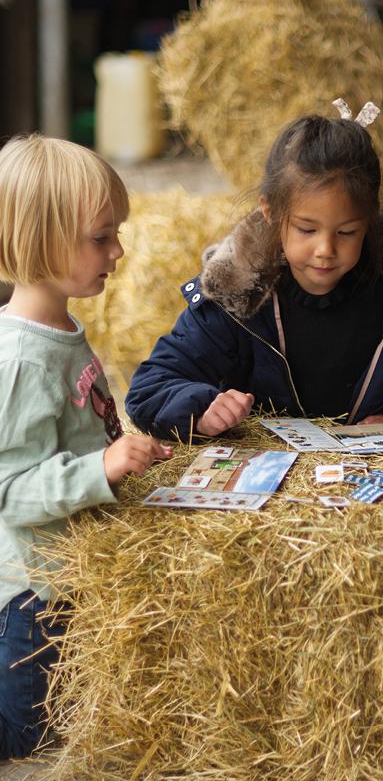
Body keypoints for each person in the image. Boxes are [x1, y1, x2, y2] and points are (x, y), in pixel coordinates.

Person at [126, 102, 383, 440]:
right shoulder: (235, 294)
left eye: (346, 232)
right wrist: (202, 410)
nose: (325, 249)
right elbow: (151, 387)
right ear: (270, 211)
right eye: (307, 229)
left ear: (370, 219)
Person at [0, 135, 171, 758]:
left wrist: (121, 454)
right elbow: (10, 491)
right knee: (28, 732)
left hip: (71, 569)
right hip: (34, 592)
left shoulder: (62, 326)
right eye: (101, 238)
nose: (117, 250)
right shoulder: (22, 359)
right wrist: (101, 466)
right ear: (43, 241)